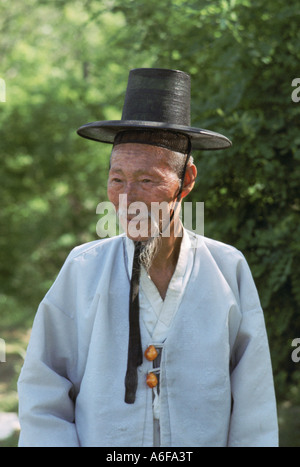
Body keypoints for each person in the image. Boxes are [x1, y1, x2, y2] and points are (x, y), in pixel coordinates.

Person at [18, 68, 278, 447]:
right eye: (117, 179)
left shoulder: (227, 270)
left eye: (147, 180)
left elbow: (253, 407)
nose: (127, 198)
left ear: (186, 181)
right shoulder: (82, 269)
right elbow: (44, 394)